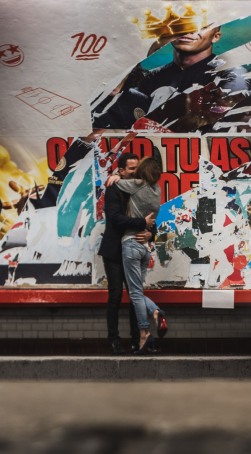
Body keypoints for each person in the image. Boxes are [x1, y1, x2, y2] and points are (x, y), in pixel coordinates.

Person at [92, 25, 249, 130]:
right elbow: (133, 116)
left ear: (215, 37)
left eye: (202, 26)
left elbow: (229, 117)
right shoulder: (152, 76)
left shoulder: (230, 73)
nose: (190, 31)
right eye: (183, 26)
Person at [98, 152, 156, 355]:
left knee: (135, 297)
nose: (136, 172)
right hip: (114, 252)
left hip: (133, 249)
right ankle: (114, 341)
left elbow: (152, 217)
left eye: (137, 168)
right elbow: (115, 219)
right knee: (115, 296)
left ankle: (136, 342)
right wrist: (142, 223)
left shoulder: (143, 187)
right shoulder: (114, 189)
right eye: (132, 169)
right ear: (121, 171)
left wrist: (150, 233)